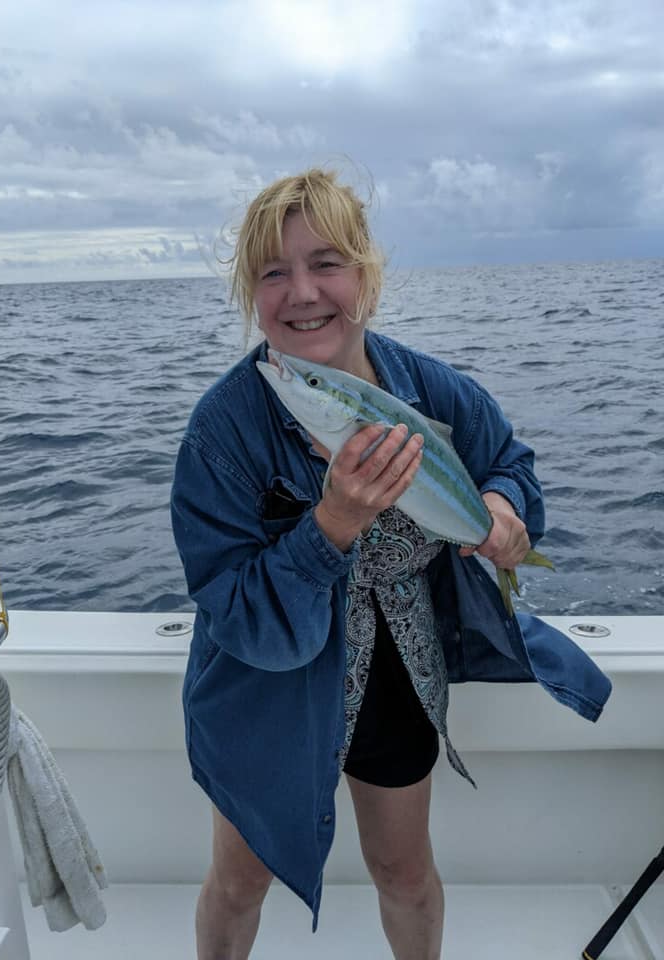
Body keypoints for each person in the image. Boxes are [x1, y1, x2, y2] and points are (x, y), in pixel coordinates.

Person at [170, 168, 611, 960]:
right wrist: (330, 524)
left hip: (400, 671)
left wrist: (506, 514)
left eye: (325, 263)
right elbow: (229, 605)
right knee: (239, 882)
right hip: (266, 690)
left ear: (366, 275)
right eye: (274, 272)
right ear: (250, 293)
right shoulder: (222, 430)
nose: (302, 291)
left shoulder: (429, 387)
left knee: (404, 871)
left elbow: (508, 461)